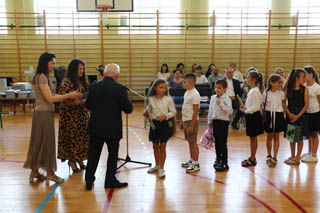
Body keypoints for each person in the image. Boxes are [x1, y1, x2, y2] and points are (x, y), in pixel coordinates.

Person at [23, 52, 82, 184]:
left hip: (43, 113)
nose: (54, 66)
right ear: (45, 63)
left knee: (39, 142)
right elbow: (50, 99)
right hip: (43, 114)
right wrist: (69, 95)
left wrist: (69, 95)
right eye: (52, 63)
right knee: (46, 143)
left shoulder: (44, 77)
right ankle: (50, 173)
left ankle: (34, 171)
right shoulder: (42, 77)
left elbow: (51, 94)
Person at [85, 63, 133, 190]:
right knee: (112, 156)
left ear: (104, 74)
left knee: (93, 155)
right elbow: (128, 109)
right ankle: (109, 181)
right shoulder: (121, 88)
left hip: (95, 127)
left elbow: (87, 105)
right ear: (117, 75)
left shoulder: (93, 86)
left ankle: (89, 181)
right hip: (113, 128)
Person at [57, 59, 90, 173]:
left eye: (83, 69)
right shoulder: (67, 82)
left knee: (82, 138)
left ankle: (80, 159)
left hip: (82, 115)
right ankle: (72, 161)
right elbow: (66, 101)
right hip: (70, 117)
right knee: (72, 139)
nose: (82, 71)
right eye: (80, 69)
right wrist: (83, 102)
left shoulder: (83, 80)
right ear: (73, 69)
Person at [143, 79, 176, 178]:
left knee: (162, 148)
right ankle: (157, 166)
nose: (163, 89)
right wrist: (147, 113)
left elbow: (173, 112)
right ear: (155, 88)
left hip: (164, 125)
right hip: (154, 125)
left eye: (164, 88)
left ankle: (162, 168)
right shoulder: (151, 99)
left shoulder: (168, 99)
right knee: (155, 147)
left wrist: (165, 116)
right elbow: (149, 110)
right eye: (161, 87)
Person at [283, 68, 310, 165]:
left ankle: (298, 157)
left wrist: (297, 116)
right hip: (291, 115)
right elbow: (283, 103)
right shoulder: (288, 89)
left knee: (299, 138)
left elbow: (306, 105)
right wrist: (289, 114)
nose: (305, 80)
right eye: (303, 77)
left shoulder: (305, 89)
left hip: (301, 116)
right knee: (292, 137)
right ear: (297, 78)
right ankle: (293, 155)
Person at [240, 71, 264, 167]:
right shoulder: (252, 90)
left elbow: (256, 107)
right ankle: (251, 157)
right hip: (250, 115)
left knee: (253, 138)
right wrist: (245, 108)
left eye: (248, 78)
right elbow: (251, 105)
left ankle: (253, 158)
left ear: (254, 80)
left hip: (254, 116)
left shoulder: (256, 91)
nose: (246, 79)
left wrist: (246, 111)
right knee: (251, 138)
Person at [208, 79, 233, 171]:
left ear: (225, 89)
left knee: (223, 142)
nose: (217, 90)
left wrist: (221, 104)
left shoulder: (226, 99)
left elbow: (230, 111)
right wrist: (209, 121)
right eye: (216, 87)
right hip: (215, 122)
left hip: (223, 122)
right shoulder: (213, 98)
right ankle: (218, 158)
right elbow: (210, 110)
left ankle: (224, 162)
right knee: (217, 142)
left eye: (219, 88)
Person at [262, 74, 286, 167]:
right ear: (272, 83)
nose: (280, 84)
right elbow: (263, 105)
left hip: (278, 115)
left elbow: (284, 105)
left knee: (276, 136)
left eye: (281, 82)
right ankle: (269, 155)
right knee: (269, 136)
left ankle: (275, 157)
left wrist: (283, 114)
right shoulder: (266, 93)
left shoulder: (281, 93)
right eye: (278, 82)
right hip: (269, 115)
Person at [180, 73, 201, 173]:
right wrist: (181, 121)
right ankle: (192, 160)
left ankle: (196, 163)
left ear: (191, 83)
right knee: (189, 141)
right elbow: (185, 108)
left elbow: (196, 111)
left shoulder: (195, 94)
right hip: (186, 120)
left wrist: (192, 125)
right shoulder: (187, 92)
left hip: (191, 121)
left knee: (193, 142)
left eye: (184, 81)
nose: (182, 83)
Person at [301, 66, 320, 163]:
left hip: (315, 113)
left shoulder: (317, 87)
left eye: (305, 74)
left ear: (311, 75)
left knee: (314, 134)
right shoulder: (304, 86)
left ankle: (314, 154)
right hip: (306, 113)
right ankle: (309, 153)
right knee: (308, 134)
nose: (304, 76)